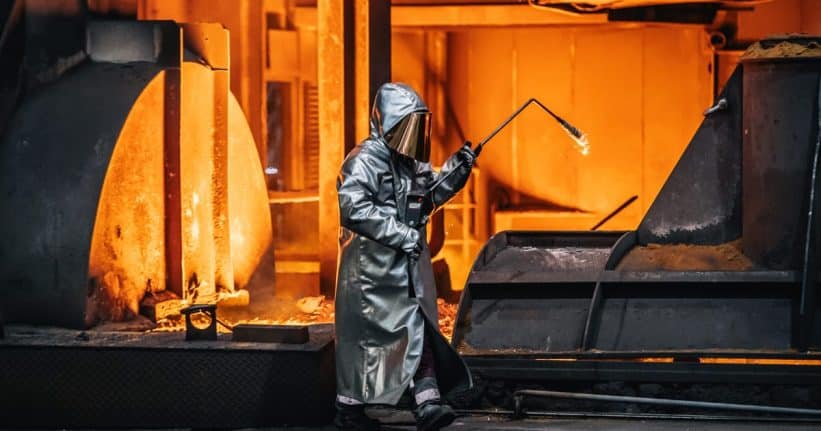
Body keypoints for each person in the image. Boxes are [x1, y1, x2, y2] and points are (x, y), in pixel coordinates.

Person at [334, 82, 476, 431]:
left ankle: (426, 403)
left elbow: (429, 197)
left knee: (415, 331)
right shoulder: (364, 160)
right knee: (364, 344)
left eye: (417, 126)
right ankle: (352, 410)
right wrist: (402, 235)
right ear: (388, 123)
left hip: (402, 270)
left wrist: (456, 171)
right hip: (370, 274)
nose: (413, 135)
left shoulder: (410, 164)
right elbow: (353, 208)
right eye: (406, 126)